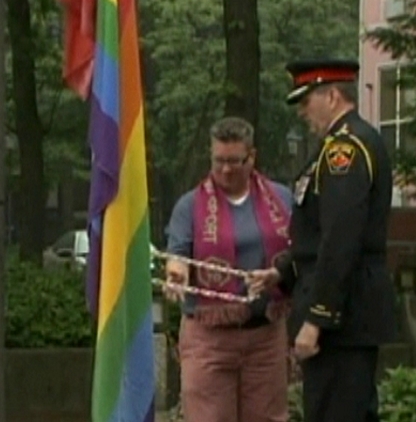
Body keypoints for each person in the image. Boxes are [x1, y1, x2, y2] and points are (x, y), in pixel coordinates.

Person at [247, 58, 398, 422]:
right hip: (345, 312)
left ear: (332, 96)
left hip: (342, 319)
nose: (302, 111)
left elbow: (341, 239)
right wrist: (284, 271)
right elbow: (318, 237)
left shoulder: (343, 151)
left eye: (306, 100)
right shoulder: (342, 145)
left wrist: (318, 318)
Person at [164, 116, 293, 422]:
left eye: (234, 161)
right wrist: (176, 274)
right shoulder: (190, 205)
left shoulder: (282, 199)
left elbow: (300, 253)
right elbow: (178, 252)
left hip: (266, 334)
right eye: (218, 160)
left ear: (252, 157)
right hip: (209, 338)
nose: (225, 169)